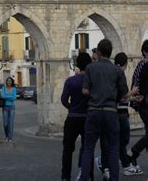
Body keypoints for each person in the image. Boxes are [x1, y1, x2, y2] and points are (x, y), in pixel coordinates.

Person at [79, 39, 129, 181]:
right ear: (110, 53)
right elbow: (124, 93)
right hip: (111, 112)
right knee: (113, 148)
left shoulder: (90, 68)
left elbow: (84, 91)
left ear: (99, 52)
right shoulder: (117, 70)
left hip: (94, 111)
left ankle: (84, 178)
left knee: (89, 148)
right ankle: (114, 178)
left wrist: (95, 92)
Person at [96, 52, 143, 177]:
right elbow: (121, 96)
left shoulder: (112, 73)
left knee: (120, 140)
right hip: (119, 113)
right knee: (121, 140)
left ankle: (114, 163)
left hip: (118, 111)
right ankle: (122, 164)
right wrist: (132, 93)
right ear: (126, 64)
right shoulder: (118, 74)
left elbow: (121, 97)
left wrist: (133, 98)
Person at [60, 52, 92, 181]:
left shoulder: (70, 81)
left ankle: (65, 177)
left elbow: (63, 100)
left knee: (67, 149)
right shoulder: (91, 81)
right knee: (87, 148)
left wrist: (71, 107)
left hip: (72, 117)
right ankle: (88, 175)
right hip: (87, 117)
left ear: (77, 64)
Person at [129, 39, 148, 170]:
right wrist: (140, 98)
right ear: (145, 52)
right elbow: (140, 84)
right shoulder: (145, 64)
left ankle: (133, 154)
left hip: (141, 102)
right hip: (144, 103)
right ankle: (133, 153)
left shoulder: (141, 64)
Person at [0, 77, 17, 141]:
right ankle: (6, 135)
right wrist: (10, 97)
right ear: (6, 82)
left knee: (11, 123)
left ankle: (10, 138)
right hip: (5, 107)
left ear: (12, 82)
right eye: (8, 81)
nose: (9, 82)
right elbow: (2, 96)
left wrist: (6, 97)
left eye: (10, 81)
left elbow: (14, 98)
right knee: (5, 124)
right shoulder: (3, 88)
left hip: (12, 107)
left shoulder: (14, 89)